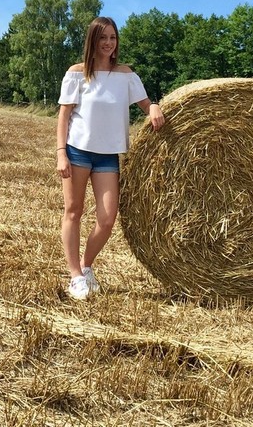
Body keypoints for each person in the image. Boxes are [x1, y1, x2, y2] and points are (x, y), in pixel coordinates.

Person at [56, 16, 165, 300]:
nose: (108, 43)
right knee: (73, 211)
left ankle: (86, 266)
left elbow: (145, 104)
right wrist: (61, 154)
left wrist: (154, 107)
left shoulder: (126, 75)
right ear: (93, 41)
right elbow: (64, 116)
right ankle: (75, 277)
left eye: (112, 38)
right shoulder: (77, 73)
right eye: (103, 38)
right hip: (78, 150)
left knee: (107, 218)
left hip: (108, 156)